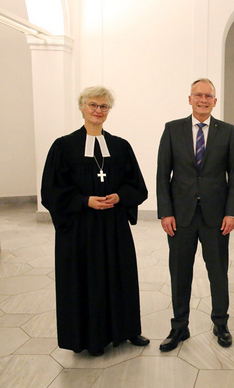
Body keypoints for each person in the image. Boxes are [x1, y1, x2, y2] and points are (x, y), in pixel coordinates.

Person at [41, 86, 149, 357]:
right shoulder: (63, 146)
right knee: (87, 279)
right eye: (93, 105)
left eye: (104, 107)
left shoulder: (120, 147)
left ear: (109, 111)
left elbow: (138, 187)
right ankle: (92, 338)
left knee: (120, 276)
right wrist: (84, 201)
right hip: (80, 229)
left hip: (114, 228)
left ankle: (127, 331)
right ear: (81, 107)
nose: (98, 111)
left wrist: (119, 196)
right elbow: (51, 191)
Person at [157, 78, 234, 351]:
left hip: (216, 217)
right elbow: (162, 174)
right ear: (189, 99)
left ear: (215, 101)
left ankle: (221, 323)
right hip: (180, 217)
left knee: (218, 272)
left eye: (208, 96)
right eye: (198, 95)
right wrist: (165, 212)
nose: (203, 99)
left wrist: (232, 212)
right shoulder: (172, 130)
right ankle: (179, 327)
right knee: (180, 273)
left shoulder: (227, 131)